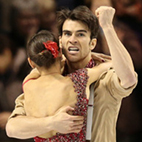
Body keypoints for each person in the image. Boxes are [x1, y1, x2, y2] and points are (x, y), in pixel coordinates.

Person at [6, 6, 137, 142]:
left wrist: (108, 27)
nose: (72, 39)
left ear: (92, 43)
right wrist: (52, 122)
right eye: (68, 33)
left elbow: (128, 78)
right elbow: (12, 128)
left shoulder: (105, 76)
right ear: (60, 41)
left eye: (80, 34)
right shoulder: (40, 80)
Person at [23, 30, 112, 141]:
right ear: (60, 52)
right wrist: (88, 55)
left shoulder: (28, 84)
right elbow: (112, 64)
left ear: (31, 62)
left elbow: (36, 70)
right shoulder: (77, 80)